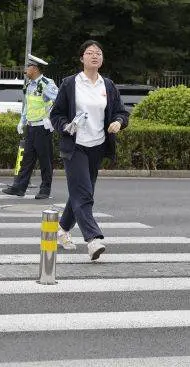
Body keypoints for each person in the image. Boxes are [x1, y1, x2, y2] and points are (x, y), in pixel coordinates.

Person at [50, 40, 129, 259]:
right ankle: (93, 239)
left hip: (97, 146)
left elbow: (121, 113)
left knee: (81, 192)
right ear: (81, 58)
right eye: (89, 52)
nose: (94, 56)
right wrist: (66, 126)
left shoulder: (108, 85)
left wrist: (119, 122)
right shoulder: (70, 83)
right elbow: (56, 114)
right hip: (75, 146)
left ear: (102, 59)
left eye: (98, 53)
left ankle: (62, 230)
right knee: (83, 193)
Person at [2, 54, 58, 199]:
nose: (25, 69)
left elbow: (59, 102)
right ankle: (20, 187)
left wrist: (50, 118)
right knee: (27, 158)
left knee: (45, 159)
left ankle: (45, 189)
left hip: (43, 127)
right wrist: (22, 120)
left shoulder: (47, 84)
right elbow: (27, 105)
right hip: (31, 127)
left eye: (28, 67)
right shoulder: (29, 84)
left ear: (35, 69)